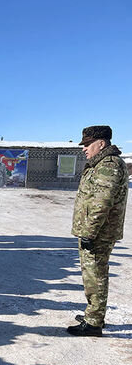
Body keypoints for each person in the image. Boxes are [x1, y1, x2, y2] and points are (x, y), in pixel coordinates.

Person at [68, 125, 128, 337]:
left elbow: (101, 203)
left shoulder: (108, 166)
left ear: (101, 144)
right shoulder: (101, 164)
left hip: (99, 232)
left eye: (87, 144)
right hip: (97, 230)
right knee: (93, 274)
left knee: (96, 276)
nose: (84, 148)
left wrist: (89, 232)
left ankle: (93, 323)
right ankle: (94, 315)